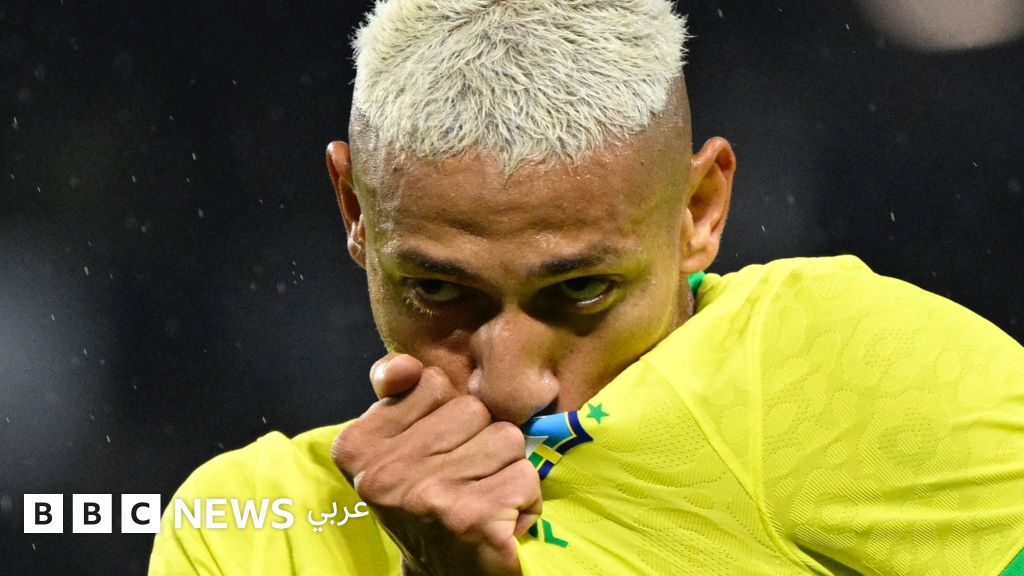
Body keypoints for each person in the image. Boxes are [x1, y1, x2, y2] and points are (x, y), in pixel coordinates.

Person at [149, 1, 1024, 574]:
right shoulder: (254, 529)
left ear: (699, 210)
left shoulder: (838, 367)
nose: (510, 383)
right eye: (439, 292)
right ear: (356, 211)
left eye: (582, 291)